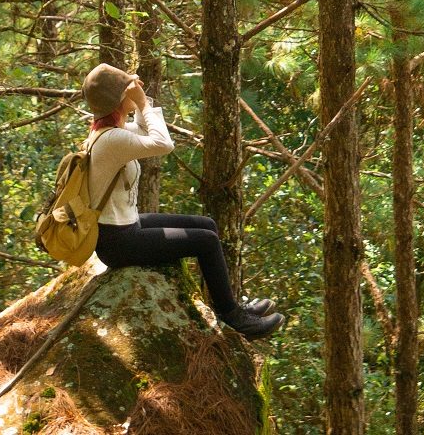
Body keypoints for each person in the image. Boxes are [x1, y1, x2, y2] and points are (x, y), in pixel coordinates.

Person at [82, 62, 284, 340]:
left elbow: (144, 131)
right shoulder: (111, 140)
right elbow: (162, 144)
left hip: (125, 227)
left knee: (207, 225)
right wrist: (141, 102)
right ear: (117, 100)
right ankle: (234, 316)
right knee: (206, 241)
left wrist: (142, 103)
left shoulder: (108, 133)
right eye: (128, 88)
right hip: (118, 242)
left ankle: (232, 303)